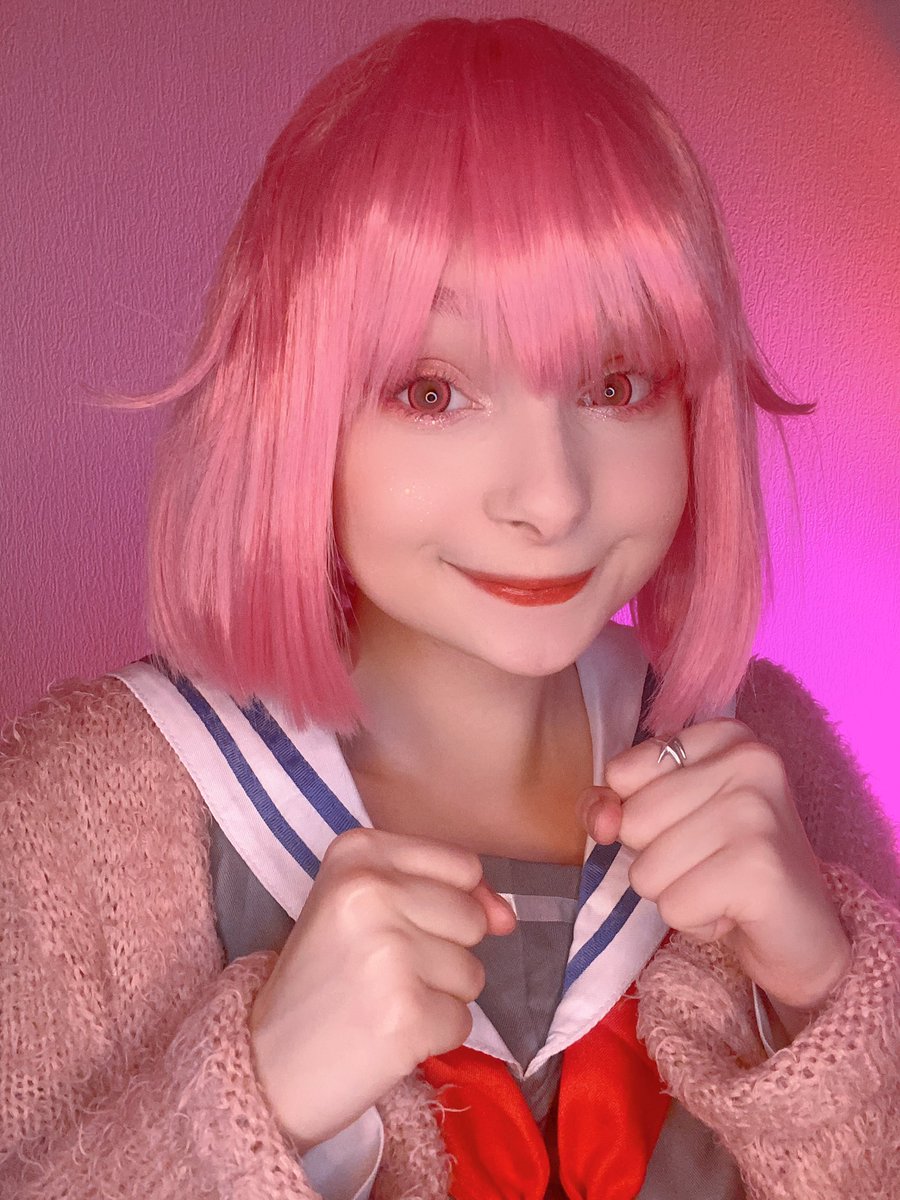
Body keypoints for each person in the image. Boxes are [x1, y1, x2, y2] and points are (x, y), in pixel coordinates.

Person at [1, 16, 897, 1200]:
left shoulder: (772, 750)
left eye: (618, 383)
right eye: (433, 391)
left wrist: (827, 1001)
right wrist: (255, 1098)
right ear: (296, 412)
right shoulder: (77, 815)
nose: (550, 498)